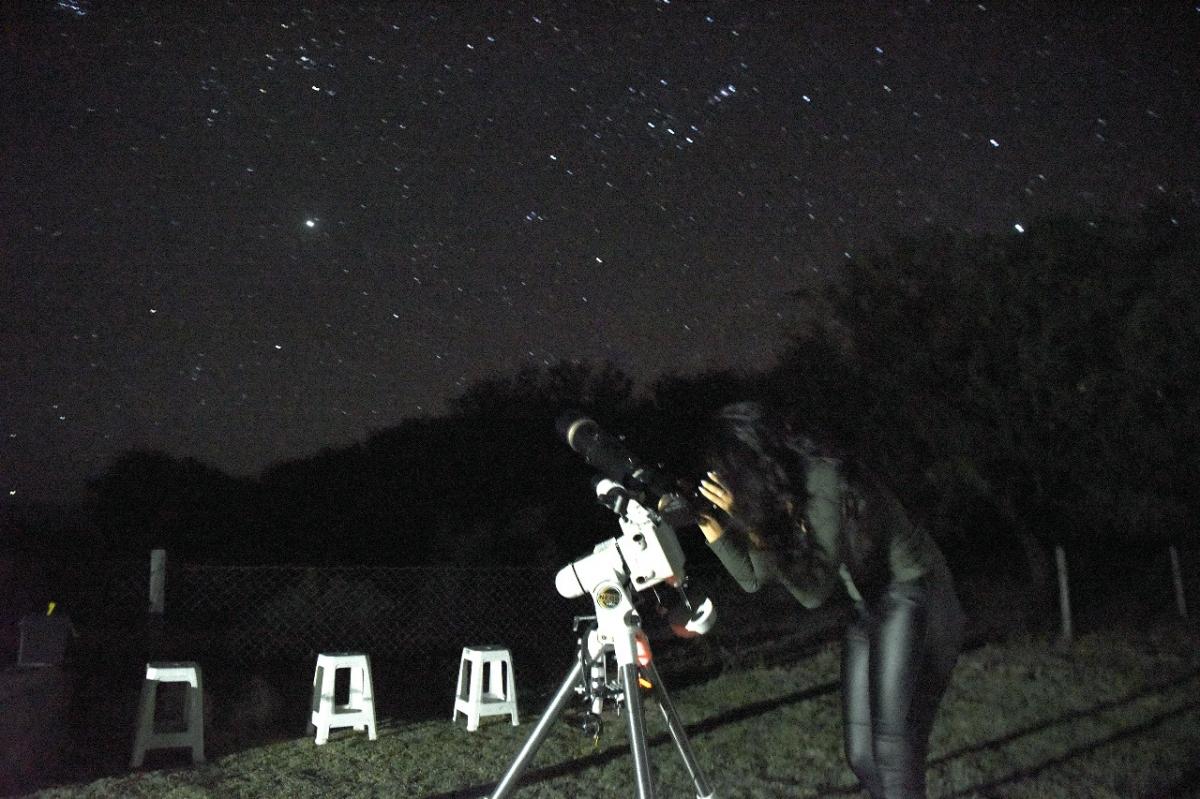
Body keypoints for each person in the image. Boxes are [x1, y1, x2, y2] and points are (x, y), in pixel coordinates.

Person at [696, 401, 964, 799]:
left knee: (893, 749)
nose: (728, 482)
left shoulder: (822, 478)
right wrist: (714, 530)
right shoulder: (778, 490)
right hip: (870, 601)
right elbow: (754, 579)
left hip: (915, 593)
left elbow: (812, 594)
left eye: (731, 472)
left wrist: (754, 525)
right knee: (861, 755)